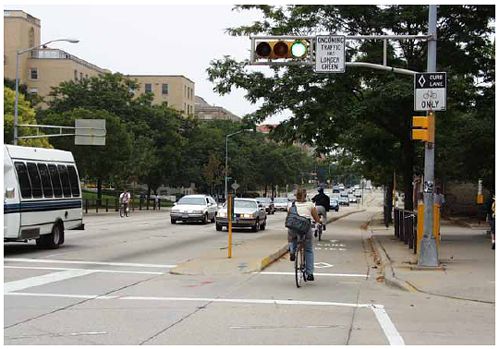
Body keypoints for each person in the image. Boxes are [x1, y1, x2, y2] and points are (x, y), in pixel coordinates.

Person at [288, 187, 321, 281]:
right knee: (308, 250)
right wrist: (319, 222)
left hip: (294, 228)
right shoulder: (310, 204)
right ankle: (310, 273)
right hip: (306, 228)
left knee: (292, 237)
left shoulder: (291, 205)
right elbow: (316, 218)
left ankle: (292, 250)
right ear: (306, 196)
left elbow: (289, 217)